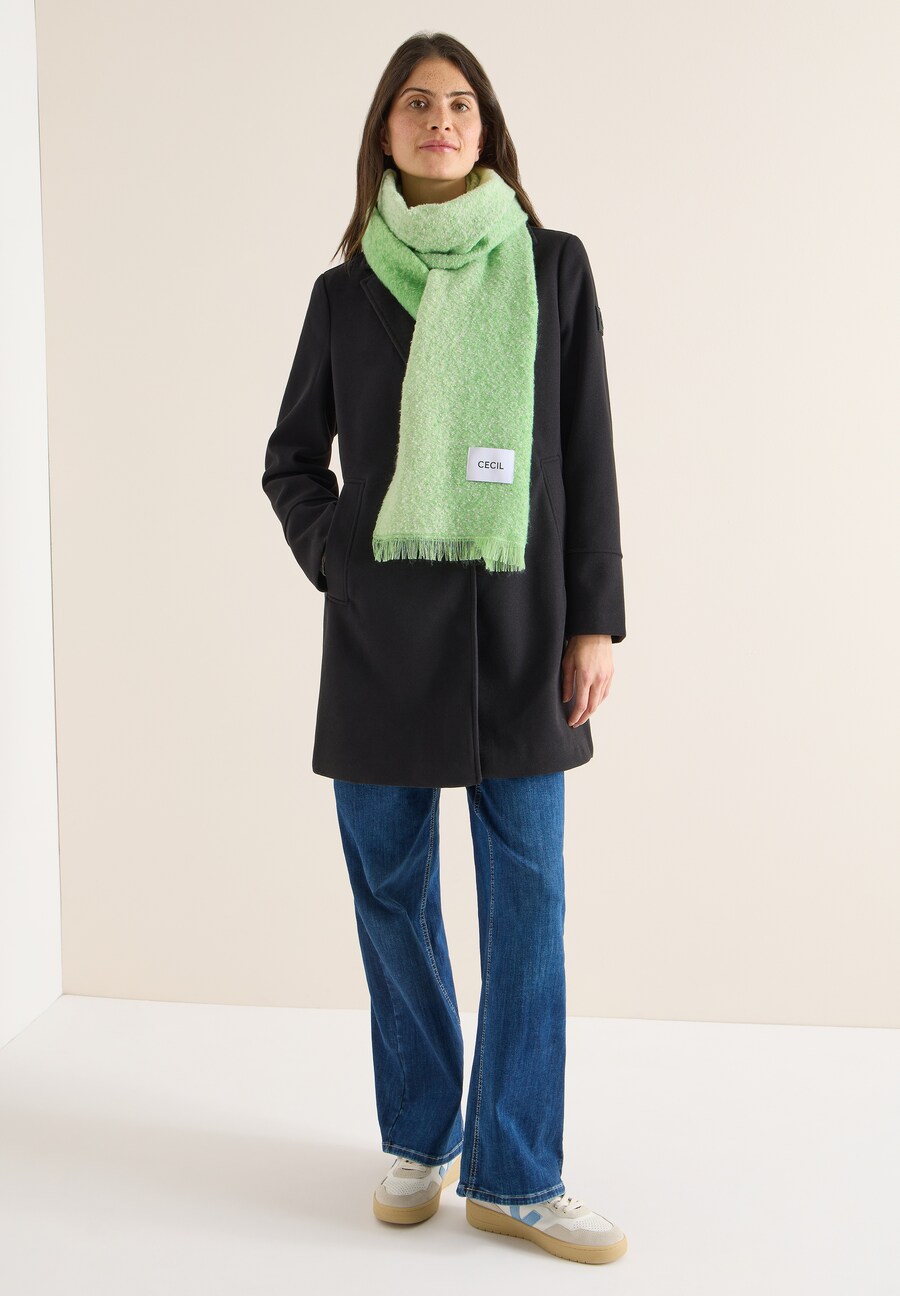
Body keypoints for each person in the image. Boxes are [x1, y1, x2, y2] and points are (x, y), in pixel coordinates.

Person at [261, 31, 628, 1266]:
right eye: (417, 102)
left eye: (460, 102)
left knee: (530, 903)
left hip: (523, 631)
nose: (439, 119)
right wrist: (344, 560)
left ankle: (517, 1173)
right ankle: (422, 1134)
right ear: (385, 129)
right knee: (393, 894)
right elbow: (291, 462)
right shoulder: (342, 294)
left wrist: (595, 618)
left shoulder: (553, 267)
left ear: (487, 127)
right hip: (381, 640)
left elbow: (586, 451)